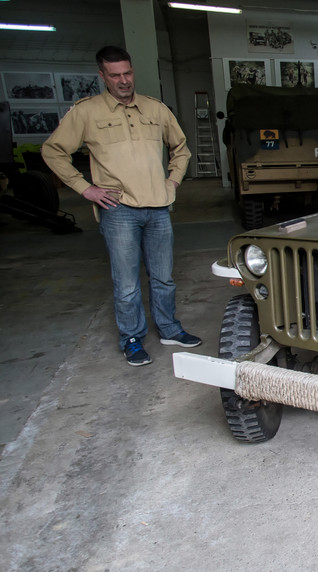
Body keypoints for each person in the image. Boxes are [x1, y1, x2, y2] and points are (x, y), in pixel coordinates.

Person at [42, 46, 202, 367]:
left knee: (163, 277)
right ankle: (131, 338)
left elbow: (181, 148)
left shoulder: (155, 109)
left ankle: (169, 328)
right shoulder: (87, 112)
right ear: (102, 76)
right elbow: (53, 151)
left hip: (158, 207)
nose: (123, 80)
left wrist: (172, 181)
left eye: (127, 73)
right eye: (115, 75)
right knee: (127, 283)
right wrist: (85, 189)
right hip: (119, 210)